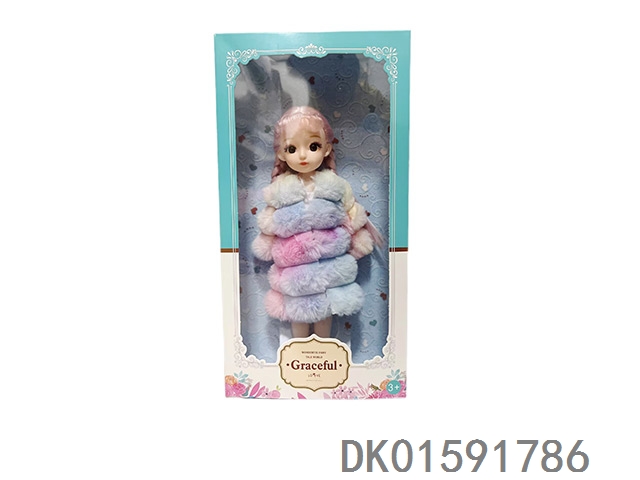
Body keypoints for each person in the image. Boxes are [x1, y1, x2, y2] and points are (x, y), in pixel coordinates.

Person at [252, 106, 379, 338]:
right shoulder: (280, 190)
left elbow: (352, 215)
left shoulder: (335, 186)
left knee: (324, 317)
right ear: (281, 154)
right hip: (296, 275)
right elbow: (269, 223)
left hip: (327, 271)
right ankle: (298, 353)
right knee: (298, 316)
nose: (302, 156)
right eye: (292, 148)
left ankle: (325, 352)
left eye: (313, 146)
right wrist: (267, 243)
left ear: (326, 148)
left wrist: (356, 243)